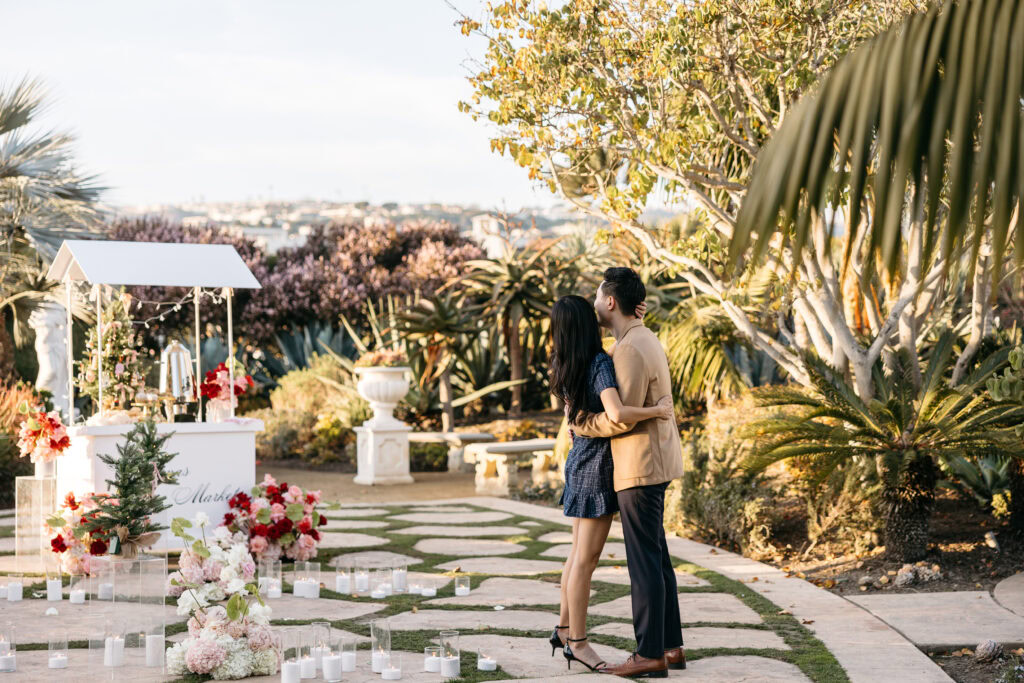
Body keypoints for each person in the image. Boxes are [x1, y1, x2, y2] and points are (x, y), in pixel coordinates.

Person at [546, 294, 673, 674]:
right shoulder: (599, 361)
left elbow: (581, 415)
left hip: (578, 461)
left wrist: (633, 315)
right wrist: (657, 410)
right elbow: (616, 413)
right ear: (587, 323)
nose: (601, 308)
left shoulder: (564, 361)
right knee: (586, 560)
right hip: (597, 468)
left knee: (575, 556)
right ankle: (579, 643)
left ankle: (564, 629)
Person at [572, 267, 685, 679]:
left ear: (611, 302)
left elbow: (621, 419)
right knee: (656, 559)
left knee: (644, 563)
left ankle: (649, 653)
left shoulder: (629, 349)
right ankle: (669, 646)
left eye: (598, 296)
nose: (595, 302)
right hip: (652, 460)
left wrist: (581, 424)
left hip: (641, 463)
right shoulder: (639, 338)